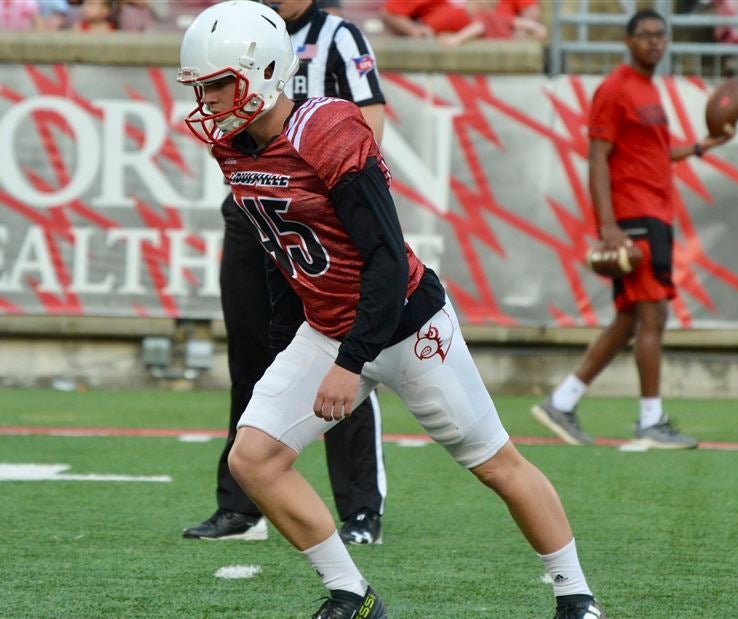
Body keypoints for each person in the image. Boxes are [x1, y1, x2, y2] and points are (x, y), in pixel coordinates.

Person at [177, 3, 605, 617]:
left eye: (219, 84)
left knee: (495, 464)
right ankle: (352, 595)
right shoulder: (235, 150)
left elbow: (382, 259)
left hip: (406, 322)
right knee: (254, 458)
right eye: (203, 87)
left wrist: (350, 363)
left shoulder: (327, 132)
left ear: (265, 72)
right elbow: (282, 257)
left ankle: (578, 598)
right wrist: (287, 343)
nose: (210, 101)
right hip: (328, 326)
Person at [182, 0, 390, 547]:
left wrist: (331, 199)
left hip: (319, 211)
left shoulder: (339, 36)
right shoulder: (228, 31)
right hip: (258, 210)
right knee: (251, 352)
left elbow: (370, 121)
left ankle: (361, 508)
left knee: (345, 349)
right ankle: (240, 502)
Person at [533, 9, 734, 450]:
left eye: (660, 35)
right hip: (634, 217)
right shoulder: (616, 88)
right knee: (653, 315)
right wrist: (607, 225)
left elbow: (657, 154)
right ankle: (650, 418)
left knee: (629, 319)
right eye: (644, 35)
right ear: (628, 42)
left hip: (655, 213)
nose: (654, 42)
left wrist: (702, 146)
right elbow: (598, 157)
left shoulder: (647, 89)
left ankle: (562, 402)